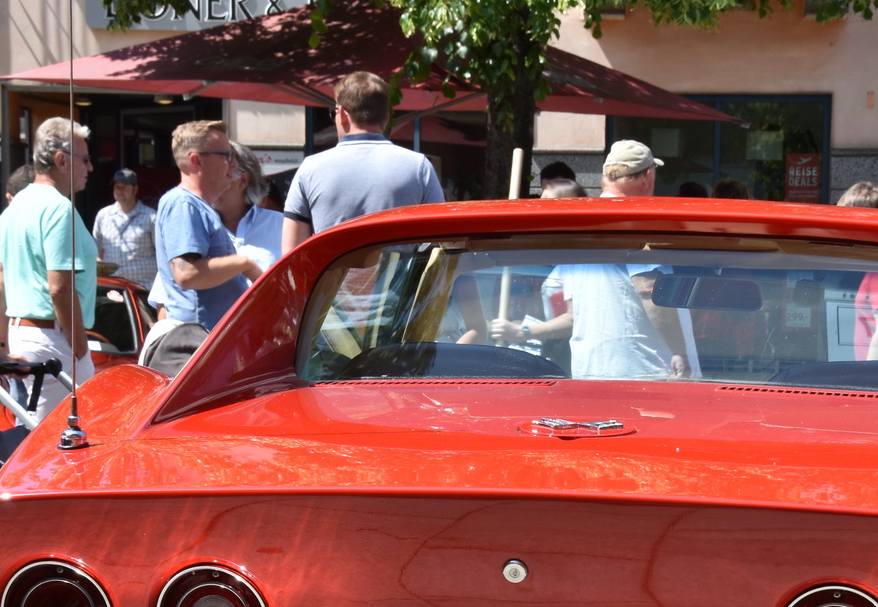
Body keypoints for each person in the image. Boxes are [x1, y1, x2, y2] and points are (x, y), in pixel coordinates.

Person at [488, 141, 689, 379]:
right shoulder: (634, 220)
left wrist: (523, 330)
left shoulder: (582, 224)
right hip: (641, 372)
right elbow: (649, 290)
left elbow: (573, 313)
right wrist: (680, 351)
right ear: (647, 176)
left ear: (606, 176)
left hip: (589, 371)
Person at [0, 117, 98, 413]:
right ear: (61, 160)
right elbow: (60, 288)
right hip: (53, 341)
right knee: (64, 447)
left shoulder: (16, 207)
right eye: (85, 159)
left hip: (21, 337)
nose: (90, 167)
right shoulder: (60, 209)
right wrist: (80, 352)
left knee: (33, 443)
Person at [280, 72, 444, 253]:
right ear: (387, 117)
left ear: (342, 114)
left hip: (332, 281)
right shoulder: (418, 167)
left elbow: (291, 255)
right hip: (399, 280)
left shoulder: (310, 169)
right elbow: (440, 245)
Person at [153, 120, 261, 332]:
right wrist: (244, 264)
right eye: (226, 156)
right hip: (200, 343)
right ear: (196, 161)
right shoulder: (183, 204)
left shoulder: (194, 206)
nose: (234, 164)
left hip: (208, 341)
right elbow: (187, 274)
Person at [217, 142, 282, 272]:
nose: (208, 183)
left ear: (243, 181)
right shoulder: (195, 225)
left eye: (218, 175)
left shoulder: (282, 225)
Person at [92, 168, 156, 288]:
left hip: (143, 289)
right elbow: (96, 252)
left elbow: (162, 254)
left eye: (124, 187)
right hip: (112, 289)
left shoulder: (151, 217)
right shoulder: (103, 215)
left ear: (135, 190)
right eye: (117, 187)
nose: (120, 191)